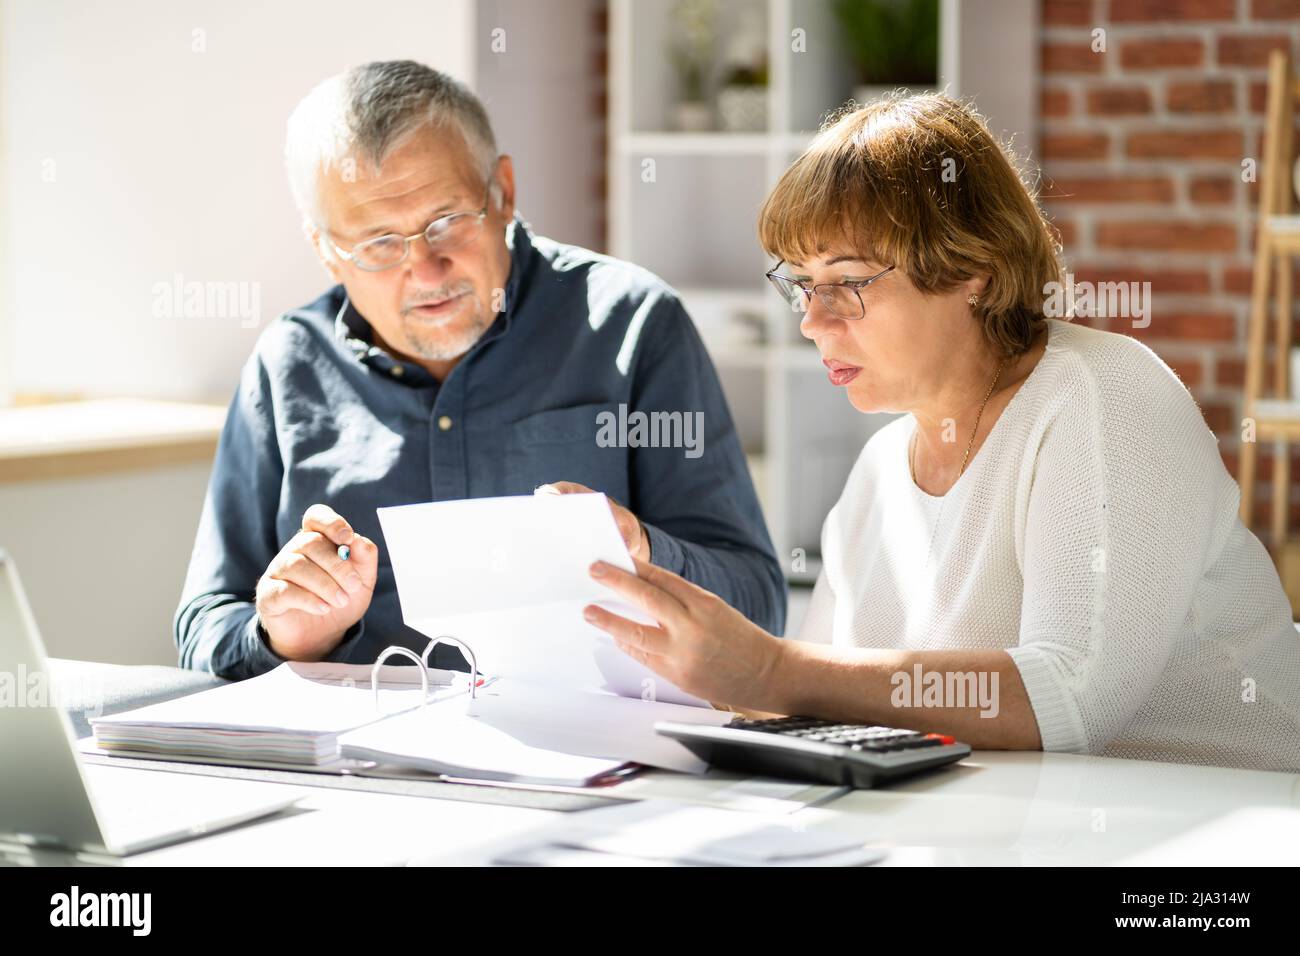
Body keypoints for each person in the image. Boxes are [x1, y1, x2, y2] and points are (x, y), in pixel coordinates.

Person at [583, 93, 1300, 772]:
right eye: (802, 283)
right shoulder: (879, 469)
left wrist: (770, 671)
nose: (811, 319)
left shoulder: (1101, 395)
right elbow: (826, 698)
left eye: (849, 281)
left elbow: (1071, 695)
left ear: (975, 271)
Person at [175, 61, 784, 678]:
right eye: (379, 243)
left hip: (589, 758)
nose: (427, 269)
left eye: (446, 222)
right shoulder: (288, 366)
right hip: (352, 768)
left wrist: (645, 554)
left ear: (503, 192)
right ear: (327, 251)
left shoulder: (632, 325)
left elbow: (760, 608)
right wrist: (285, 637)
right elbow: (203, 629)